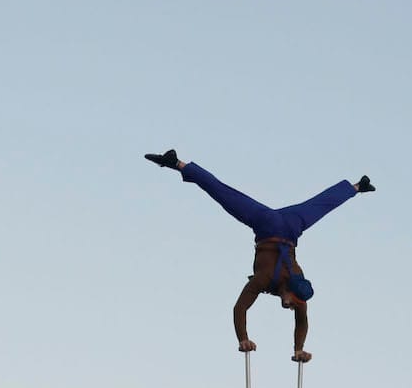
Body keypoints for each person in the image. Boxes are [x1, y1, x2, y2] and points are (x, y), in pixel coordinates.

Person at [144, 148, 374, 358]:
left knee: (320, 205)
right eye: (293, 303)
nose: (291, 306)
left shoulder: (297, 291)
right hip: (268, 226)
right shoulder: (265, 279)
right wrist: (243, 339)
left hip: (291, 228)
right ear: (291, 290)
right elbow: (240, 308)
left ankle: (357, 186)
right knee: (227, 196)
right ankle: (177, 163)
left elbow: (301, 321)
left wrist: (298, 349)